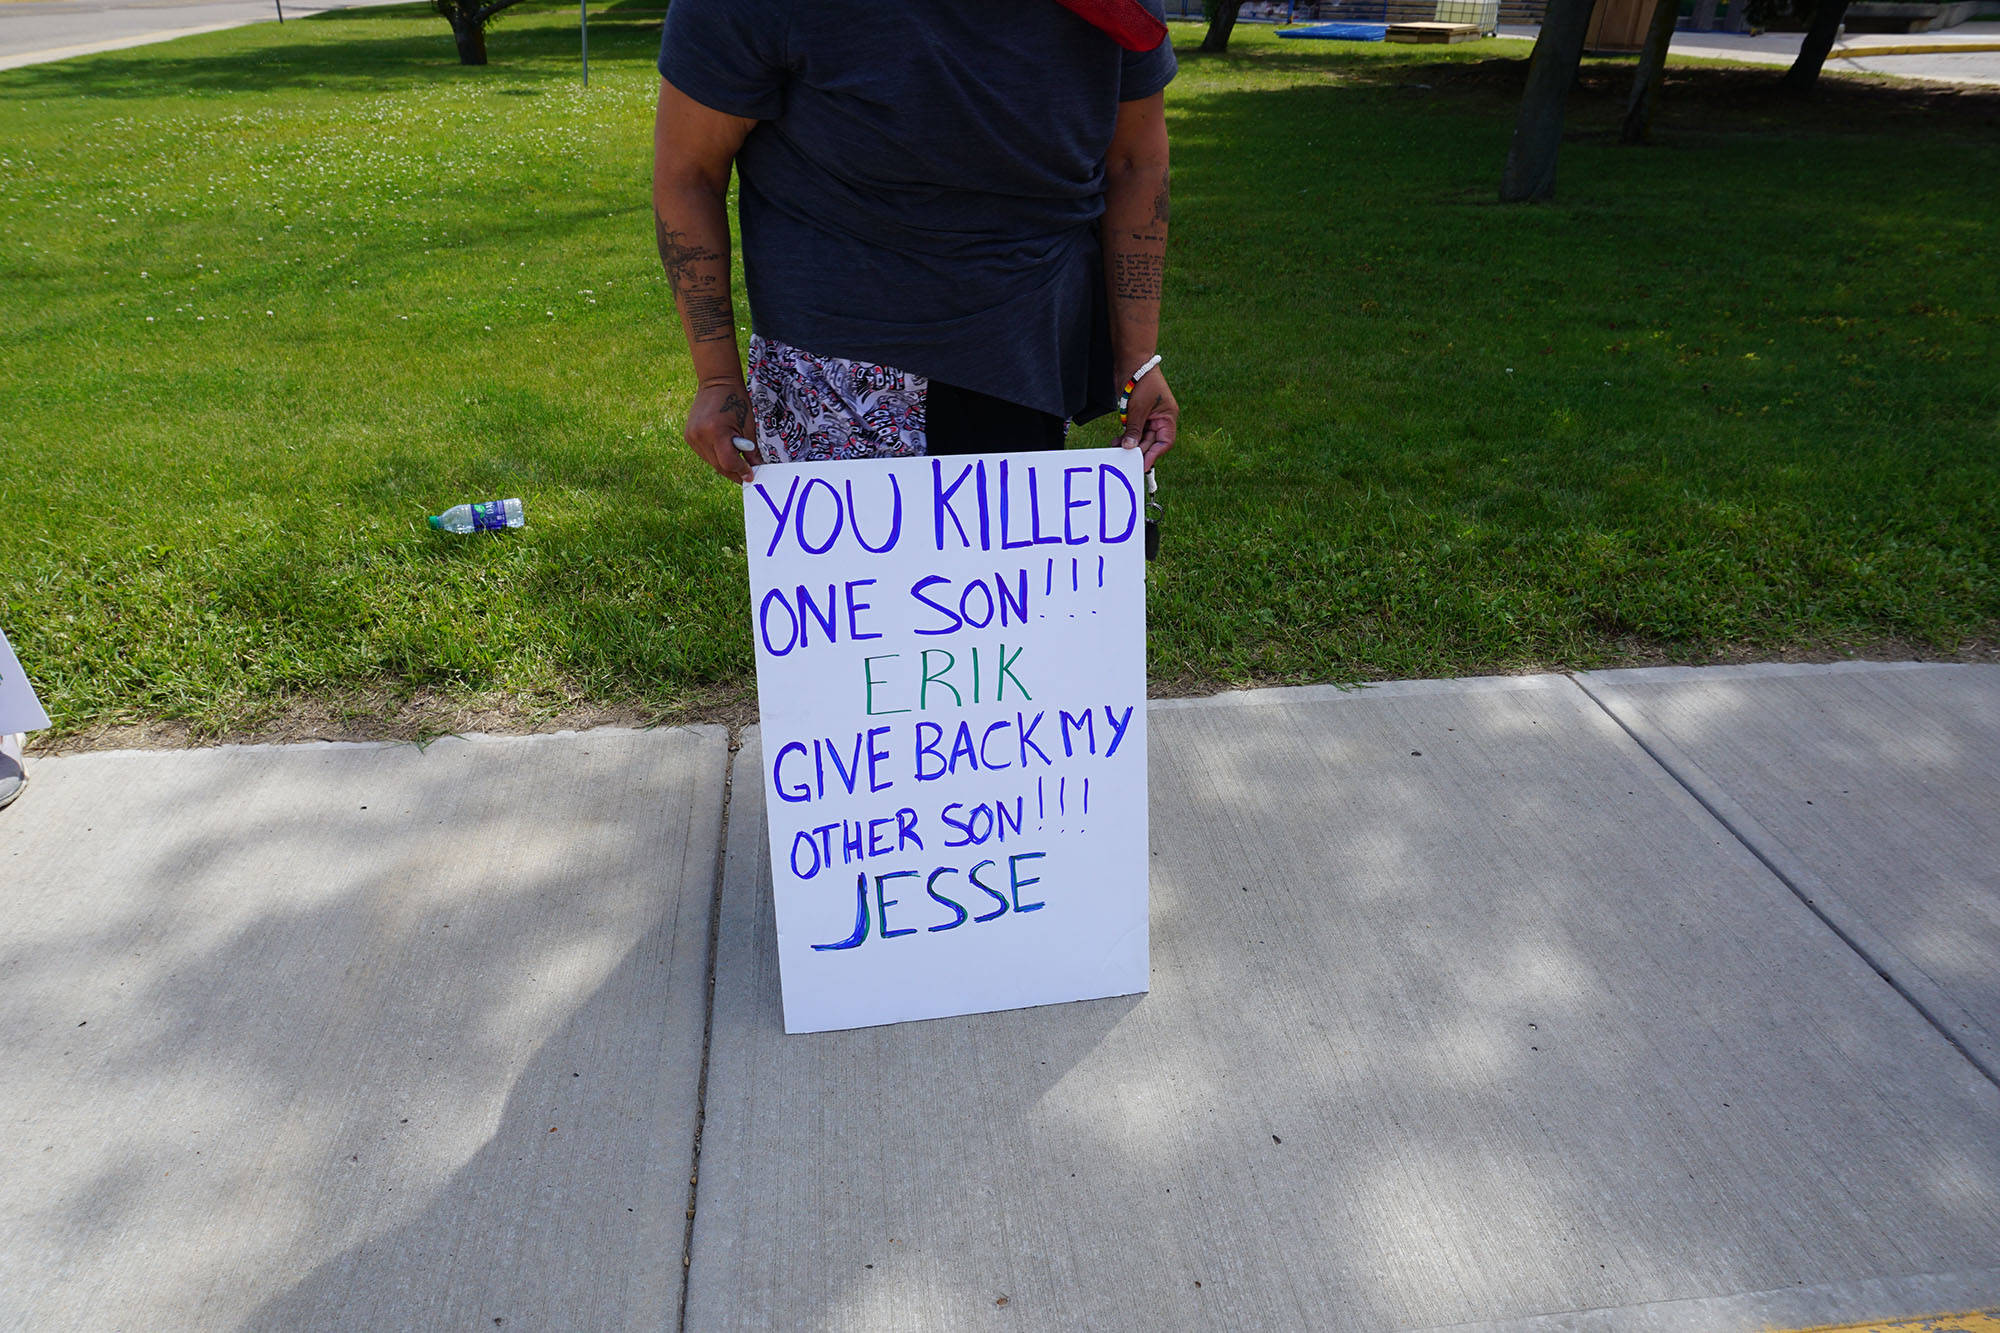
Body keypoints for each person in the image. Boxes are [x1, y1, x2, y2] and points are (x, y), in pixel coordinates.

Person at [652, 0, 1180, 481]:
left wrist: (1138, 361)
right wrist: (717, 377)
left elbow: (1136, 161)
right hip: (833, 367)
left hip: (1025, 353)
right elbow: (690, 171)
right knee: (852, 584)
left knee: (995, 582)